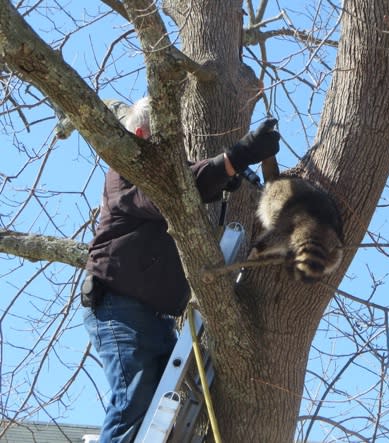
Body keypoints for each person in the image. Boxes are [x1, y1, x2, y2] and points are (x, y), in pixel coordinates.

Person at [82, 96, 280, 443]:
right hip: (119, 309)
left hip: (155, 317)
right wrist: (233, 159)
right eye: (169, 142)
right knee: (134, 399)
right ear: (143, 135)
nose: (178, 152)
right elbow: (172, 190)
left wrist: (222, 173)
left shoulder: (164, 175)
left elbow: (187, 181)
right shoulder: (124, 173)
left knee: (165, 414)